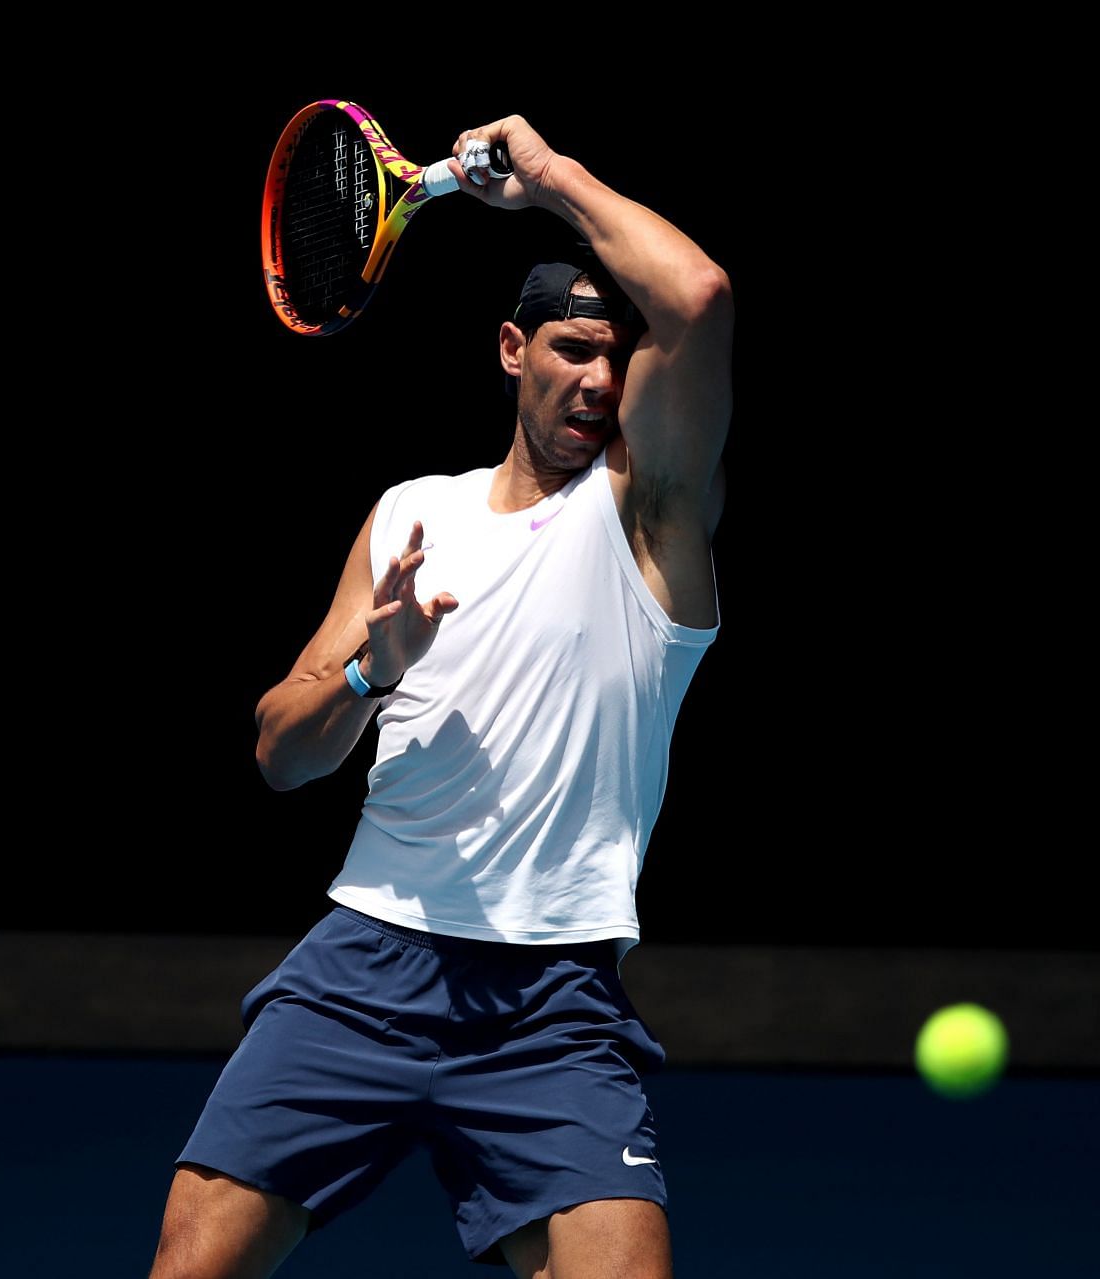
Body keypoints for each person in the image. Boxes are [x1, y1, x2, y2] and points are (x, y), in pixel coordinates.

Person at [150, 113, 732, 1279]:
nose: (601, 380)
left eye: (619, 355)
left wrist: (551, 180)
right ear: (511, 349)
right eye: (573, 347)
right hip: (365, 967)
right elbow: (282, 750)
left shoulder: (647, 512)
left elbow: (701, 295)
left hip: (551, 998)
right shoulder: (413, 513)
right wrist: (375, 669)